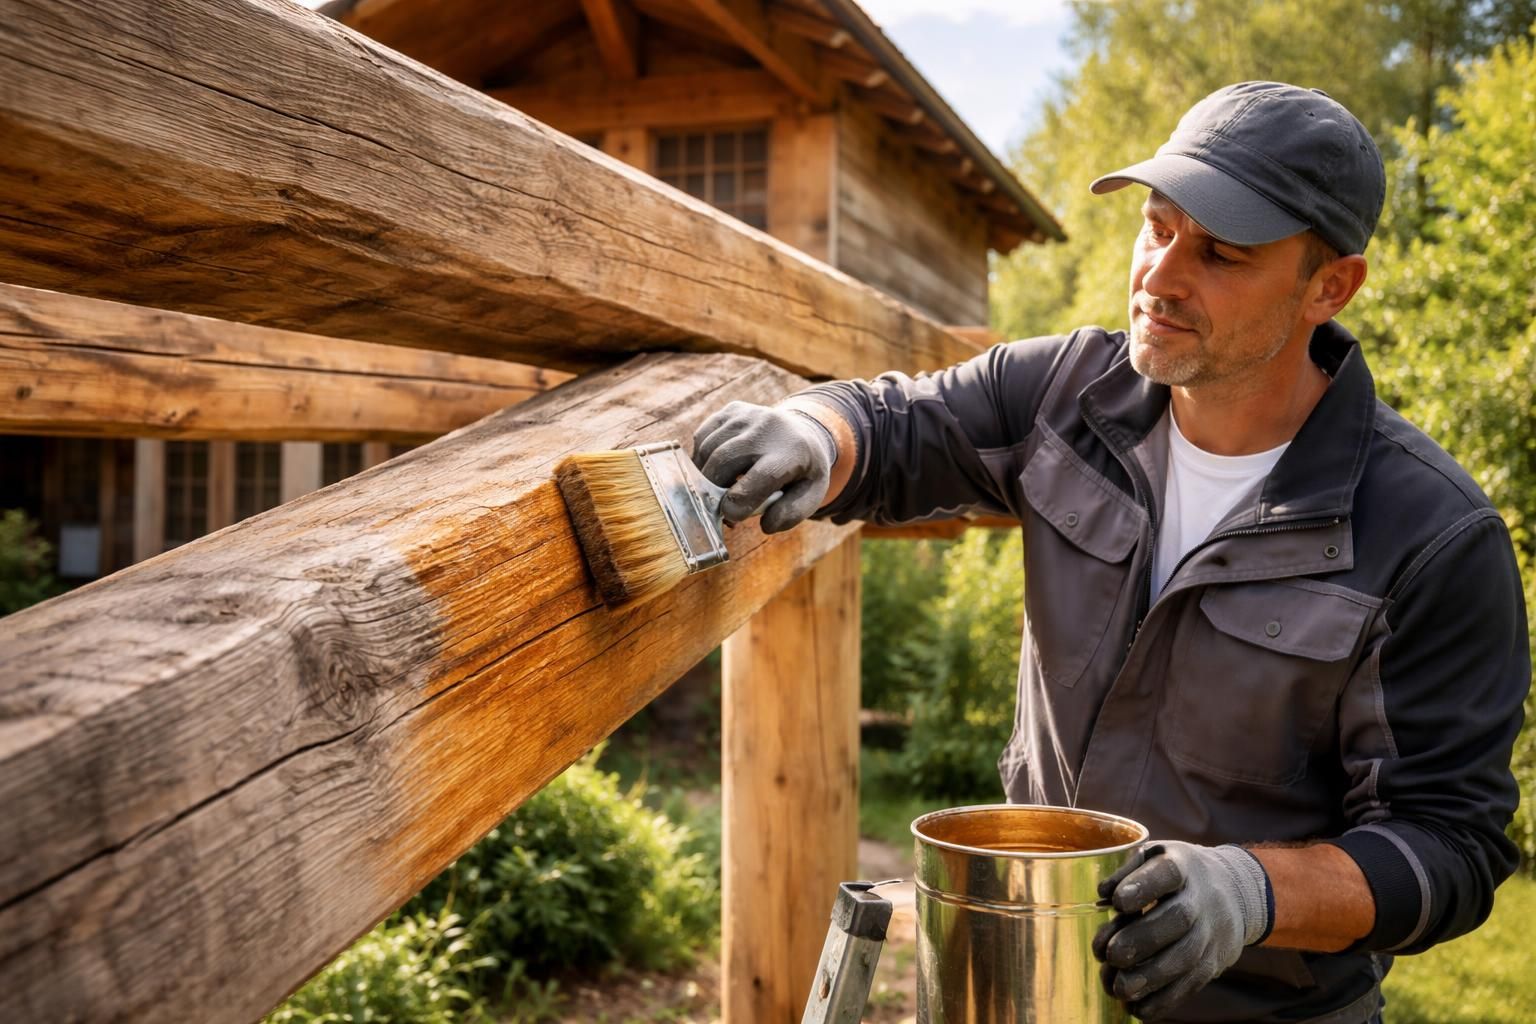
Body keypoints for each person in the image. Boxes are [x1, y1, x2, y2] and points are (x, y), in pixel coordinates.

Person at [689, 82, 1530, 1022]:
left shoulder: (1433, 536)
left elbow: (1448, 847)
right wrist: (811, 432)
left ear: (1328, 287)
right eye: (1157, 226)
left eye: (1222, 253)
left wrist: (1249, 894)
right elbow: (898, 424)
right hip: (1023, 991)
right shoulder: (1065, 397)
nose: (1162, 276)